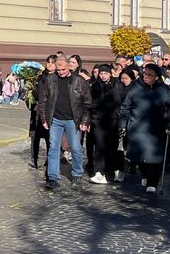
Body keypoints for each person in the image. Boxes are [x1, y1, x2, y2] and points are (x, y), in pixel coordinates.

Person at [36, 52, 93, 189]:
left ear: (69, 67)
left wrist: (84, 122)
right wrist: (44, 118)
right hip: (55, 119)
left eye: (63, 69)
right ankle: (53, 178)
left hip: (73, 120)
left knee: (76, 148)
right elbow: (42, 101)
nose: (60, 72)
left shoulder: (79, 81)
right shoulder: (50, 80)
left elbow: (87, 103)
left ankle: (77, 174)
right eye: (58, 70)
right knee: (53, 148)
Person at [120, 63, 170, 194]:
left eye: (150, 75)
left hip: (156, 128)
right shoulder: (135, 88)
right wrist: (122, 125)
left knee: (155, 157)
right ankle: (145, 174)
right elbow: (125, 107)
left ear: (157, 77)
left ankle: (152, 182)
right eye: (145, 74)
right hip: (137, 127)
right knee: (139, 156)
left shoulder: (164, 89)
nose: (146, 76)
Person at [88, 63, 125, 184]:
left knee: (113, 147)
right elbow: (91, 102)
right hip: (98, 120)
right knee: (99, 146)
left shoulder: (118, 85)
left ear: (110, 74)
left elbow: (121, 102)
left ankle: (116, 169)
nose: (103, 76)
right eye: (101, 73)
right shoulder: (95, 86)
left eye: (105, 73)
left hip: (113, 121)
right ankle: (99, 172)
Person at [27, 55, 56, 169]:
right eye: (48, 62)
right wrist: (32, 88)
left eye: (52, 62)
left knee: (50, 137)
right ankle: (34, 159)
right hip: (37, 111)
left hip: (50, 112)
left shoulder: (57, 77)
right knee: (35, 136)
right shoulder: (40, 76)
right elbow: (37, 93)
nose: (50, 64)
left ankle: (49, 160)